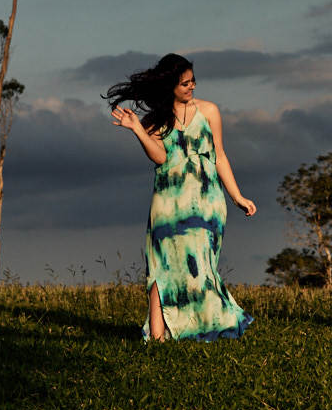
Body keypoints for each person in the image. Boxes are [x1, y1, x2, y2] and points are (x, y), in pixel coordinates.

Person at [105, 53, 256, 341]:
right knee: (160, 263)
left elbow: (220, 155)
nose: (192, 87)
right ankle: (158, 336)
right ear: (170, 85)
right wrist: (137, 129)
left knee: (202, 266)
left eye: (193, 81)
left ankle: (206, 325)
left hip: (206, 200)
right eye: (185, 83)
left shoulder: (209, 111)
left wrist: (237, 196)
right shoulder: (156, 119)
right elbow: (160, 157)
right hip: (168, 201)